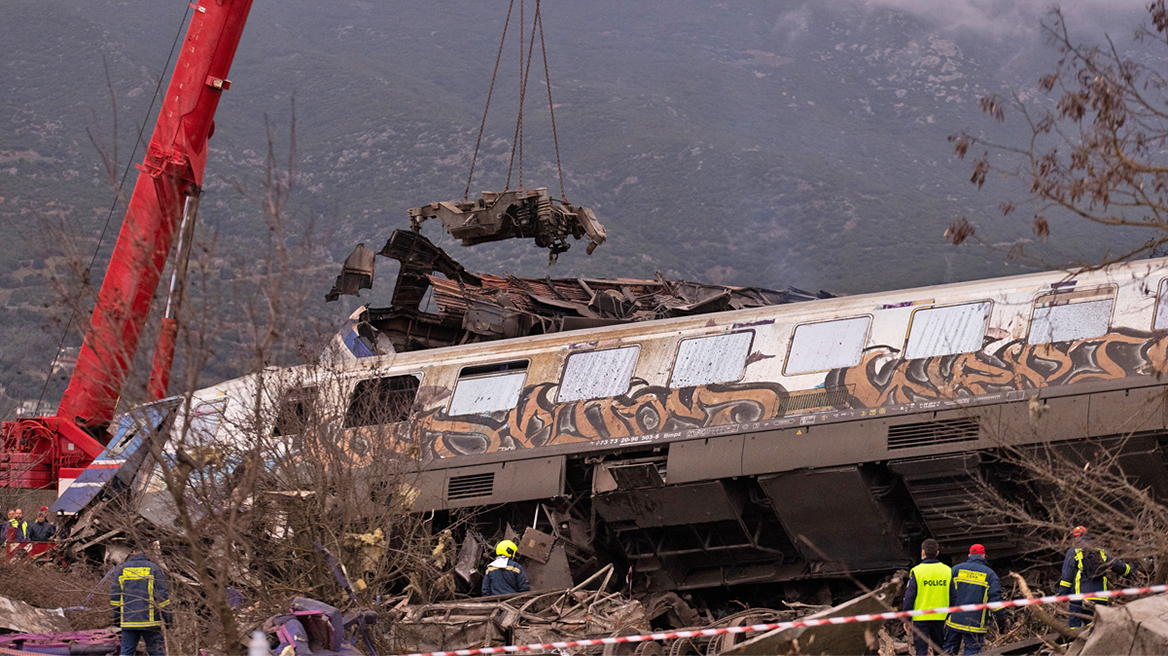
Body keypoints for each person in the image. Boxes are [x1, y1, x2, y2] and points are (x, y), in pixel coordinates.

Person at [1060, 525, 1131, 628]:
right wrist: (1132, 572)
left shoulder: (1073, 551)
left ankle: (1075, 643)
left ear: (1076, 537)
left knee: (1074, 625)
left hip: (1080, 597)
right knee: (1096, 626)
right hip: (1100, 596)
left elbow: (1067, 577)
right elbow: (1117, 565)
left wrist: (1063, 595)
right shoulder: (1101, 550)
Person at [109, 542, 172, 656]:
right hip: (150, 621)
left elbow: (115, 598)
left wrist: (117, 618)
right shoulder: (154, 569)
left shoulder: (121, 570)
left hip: (129, 621)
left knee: (126, 652)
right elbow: (162, 596)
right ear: (147, 551)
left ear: (133, 552)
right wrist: (168, 617)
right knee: (156, 652)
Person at [944, 544, 1005, 655]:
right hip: (975, 624)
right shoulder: (990, 575)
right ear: (984, 556)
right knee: (973, 652)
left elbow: (944, 593)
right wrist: (1001, 623)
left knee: (948, 651)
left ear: (969, 555)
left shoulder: (956, 570)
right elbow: (995, 604)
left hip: (954, 621)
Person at [902, 538, 951, 656]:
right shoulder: (947, 571)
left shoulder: (917, 571)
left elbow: (909, 597)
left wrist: (907, 619)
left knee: (921, 651)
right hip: (940, 617)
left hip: (921, 619)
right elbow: (953, 596)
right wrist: (948, 616)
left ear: (922, 552)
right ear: (937, 553)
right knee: (940, 650)